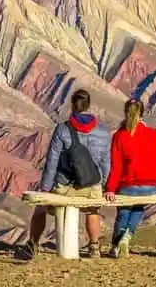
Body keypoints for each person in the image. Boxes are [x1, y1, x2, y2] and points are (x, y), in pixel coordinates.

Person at [20, 88, 111, 259]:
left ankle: (32, 244)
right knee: (93, 211)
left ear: (72, 105)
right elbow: (106, 162)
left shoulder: (62, 130)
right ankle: (94, 246)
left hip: (66, 186)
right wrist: (104, 185)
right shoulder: (104, 132)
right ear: (89, 105)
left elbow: (52, 162)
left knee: (40, 209)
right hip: (92, 187)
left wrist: (45, 189)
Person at [104, 98, 156, 258]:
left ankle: (115, 246)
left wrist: (110, 189)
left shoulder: (119, 136)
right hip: (150, 186)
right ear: (143, 113)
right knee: (138, 208)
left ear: (125, 112)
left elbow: (116, 167)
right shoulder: (154, 135)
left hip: (128, 185)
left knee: (124, 212)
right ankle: (127, 237)